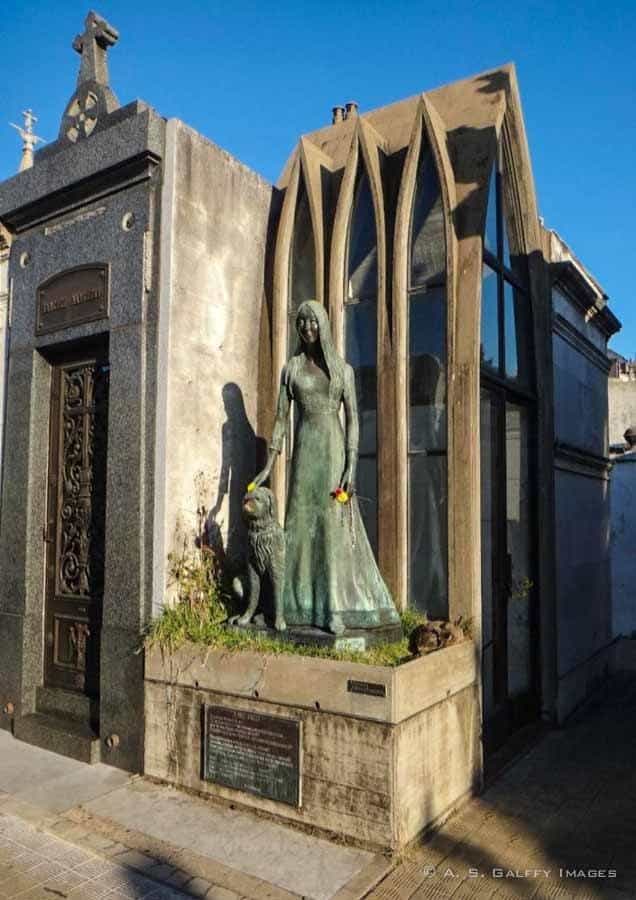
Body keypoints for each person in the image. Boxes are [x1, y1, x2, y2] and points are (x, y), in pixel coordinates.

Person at [253, 300, 400, 634]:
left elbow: (354, 420)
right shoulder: (290, 369)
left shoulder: (343, 370)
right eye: (301, 323)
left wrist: (352, 463)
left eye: (313, 322)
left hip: (333, 451)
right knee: (298, 524)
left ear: (324, 326)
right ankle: (290, 605)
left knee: (332, 525)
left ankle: (332, 607)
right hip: (304, 453)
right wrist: (268, 466)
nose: (307, 328)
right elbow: (280, 420)